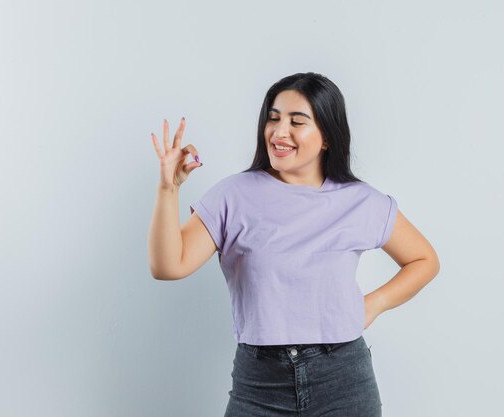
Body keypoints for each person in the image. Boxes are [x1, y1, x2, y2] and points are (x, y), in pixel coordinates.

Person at [148, 72, 440, 417]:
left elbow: (424, 260)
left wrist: (373, 304)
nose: (278, 132)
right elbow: (168, 266)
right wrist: (169, 188)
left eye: (296, 122)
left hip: (343, 380)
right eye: (273, 119)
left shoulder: (362, 201)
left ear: (327, 137)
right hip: (259, 384)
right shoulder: (234, 195)